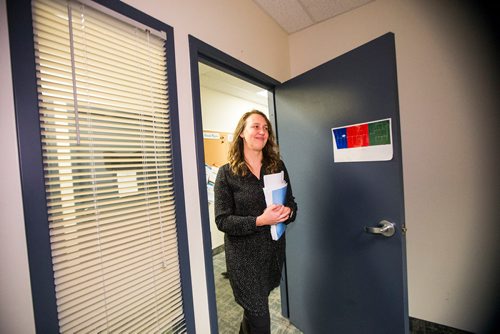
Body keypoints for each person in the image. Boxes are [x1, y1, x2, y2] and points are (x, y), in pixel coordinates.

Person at [214, 110, 298, 334]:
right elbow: (223, 221)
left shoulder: (277, 166)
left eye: (266, 128)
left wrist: (287, 212)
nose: (262, 132)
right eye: (256, 126)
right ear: (242, 132)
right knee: (260, 319)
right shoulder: (227, 174)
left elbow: (293, 204)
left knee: (253, 312)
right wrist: (260, 220)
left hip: (271, 254)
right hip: (244, 260)